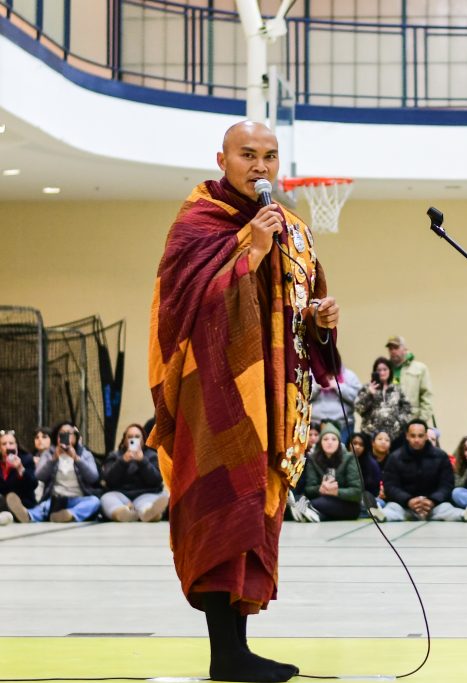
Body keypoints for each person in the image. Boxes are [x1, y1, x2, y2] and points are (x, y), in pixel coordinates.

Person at [147, 121, 341, 682]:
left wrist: (319, 321)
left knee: (255, 516)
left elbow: (293, 316)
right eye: (248, 155)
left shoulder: (291, 230)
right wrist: (247, 253)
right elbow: (181, 311)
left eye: (271, 156)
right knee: (220, 512)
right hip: (213, 397)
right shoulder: (198, 221)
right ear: (222, 159)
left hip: (270, 400)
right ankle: (223, 654)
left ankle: (238, 651)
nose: (261, 167)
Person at [371, 420, 465, 522]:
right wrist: (408, 500)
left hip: (434, 506)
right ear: (407, 436)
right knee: (392, 509)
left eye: (420, 436)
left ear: (426, 436)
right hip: (404, 506)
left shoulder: (441, 456)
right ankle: (380, 515)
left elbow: (447, 484)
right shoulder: (395, 458)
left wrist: (433, 500)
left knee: (447, 509)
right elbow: (390, 486)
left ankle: (465, 514)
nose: (416, 440)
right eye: (413, 436)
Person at [7, 422, 101, 524]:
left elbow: (93, 477)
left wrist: (76, 458)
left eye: (69, 433)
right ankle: (28, 515)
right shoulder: (49, 453)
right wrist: (54, 459)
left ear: (76, 437)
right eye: (61, 434)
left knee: (94, 502)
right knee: (44, 507)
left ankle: (69, 514)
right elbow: (39, 476)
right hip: (56, 499)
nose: (65, 436)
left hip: (79, 499)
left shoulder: (85, 454)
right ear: (56, 437)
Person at [100, 423, 168, 522]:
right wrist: (122, 462)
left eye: (137, 436)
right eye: (130, 437)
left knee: (158, 498)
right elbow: (109, 479)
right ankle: (121, 513)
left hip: (146, 494)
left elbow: (156, 480)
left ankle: (148, 513)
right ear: (124, 440)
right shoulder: (114, 456)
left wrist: (142, 461)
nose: (133, 439)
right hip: (119, 495)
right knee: (106, 499)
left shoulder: (152, 456)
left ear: (143, 439)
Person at [303, 423, 362, 521]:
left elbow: (357, 492)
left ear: (339, 442)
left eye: (334, 439)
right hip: (322, 500)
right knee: (316, 502)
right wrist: (320, 489)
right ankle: (314, 515)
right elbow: (309, 489)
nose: (329, 442)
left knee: (315, 504)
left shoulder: (349, 458)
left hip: (347, 504)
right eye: (325, 439)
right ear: (320, 442)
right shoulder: (313, 459)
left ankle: (307, 511)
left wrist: (336, 492)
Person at [355, 357, 412, 442]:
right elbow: (359, 409)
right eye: (379, 370)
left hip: (395, 436)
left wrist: (399, 422)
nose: (382, 372)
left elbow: (407, 408)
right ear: (375, 372)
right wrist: (369, 394)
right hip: (371, 436)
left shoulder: (397, 389)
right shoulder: (367, 388)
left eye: (385, 369)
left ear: (390, 371)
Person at [386, 336, 434, 424]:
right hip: (390, 424)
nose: (393, 351)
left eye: (396, 348)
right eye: (390, 348)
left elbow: (426, 396)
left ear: (405, 349)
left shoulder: (420, 368)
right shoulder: (385, 369)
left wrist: (421, 421)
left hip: (412, 422)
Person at [310, 362, 362, 443]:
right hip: (314, 426)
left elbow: (359, 399)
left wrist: (338, 386)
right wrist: (317, 386)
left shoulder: (349, 375)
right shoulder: (311, 374)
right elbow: (300, 397)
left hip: (343, 426)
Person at [0, 430, 35, 526]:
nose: (8, 446)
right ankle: (9, 515)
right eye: (4, 444)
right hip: (3, 500)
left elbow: (33, 484)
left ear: (16, 445)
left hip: (22, 501)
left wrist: (20, 469)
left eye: (11, 443)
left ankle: (18, 514)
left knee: (10, 499)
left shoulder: (26, 459)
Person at [346, 432, 380, 509]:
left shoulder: (371, 464)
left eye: (361, 445)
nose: (357, 447)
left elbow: (374, 489)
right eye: (354, 443)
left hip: (366, 497)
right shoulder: (341, 459)